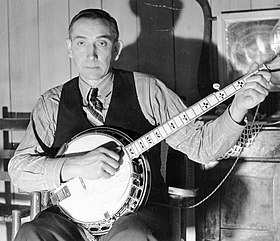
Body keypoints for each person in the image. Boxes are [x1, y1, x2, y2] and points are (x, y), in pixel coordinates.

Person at [8, 8, 271, 241]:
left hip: (135, 215)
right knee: (31, 233)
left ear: (116, 48)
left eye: (101, 42)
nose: (91, 54)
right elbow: (19, 170)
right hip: (69, 219)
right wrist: (77, 164)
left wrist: (237, 108)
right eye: (81, 43)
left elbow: (201, 147)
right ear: (69, 48)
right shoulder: (51, 103)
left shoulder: (148, 89)